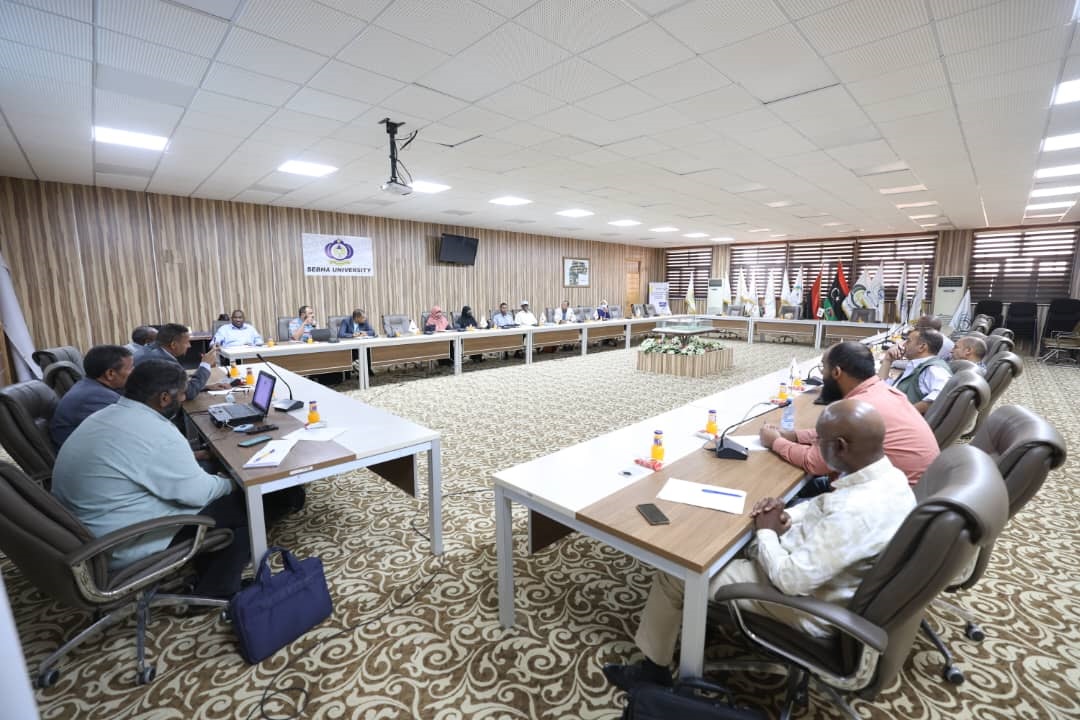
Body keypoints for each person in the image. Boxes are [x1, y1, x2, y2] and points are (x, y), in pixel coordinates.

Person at [602, 399, 917, 691]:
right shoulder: (890, 479)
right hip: (826, 576)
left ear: (840, 446)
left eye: (820, 442)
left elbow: (791, 580)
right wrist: (787, 514)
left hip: (809, 605)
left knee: (676, 572)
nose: (816, 447)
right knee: (726, 540)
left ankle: (652, 672)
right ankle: (697, 620)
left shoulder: (855, 513)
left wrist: (766, 532)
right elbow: (825, 507)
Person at [51, 360, 302, 598]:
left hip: (90, 528)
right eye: (182, 394)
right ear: (164, 398)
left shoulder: (106, 415)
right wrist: (233, 480)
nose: (184, 399)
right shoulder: (157, 432)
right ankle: (217, 589)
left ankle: (210, 560)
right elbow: (199, 494)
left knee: (217, 475)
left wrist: (198, 460)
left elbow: (137, 460)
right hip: (120, 541)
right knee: (254, 501)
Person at [759, 342, 939, 485]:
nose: (822, 375)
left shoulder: (858, 408)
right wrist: (794, 435)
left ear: (836, 372)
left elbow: (814, 463)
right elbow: (842, 434)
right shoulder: (882, 391)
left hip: (886, 508)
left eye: (823, 368)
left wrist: (775, 441)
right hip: (910, 494)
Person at [49, 345, 134, 447]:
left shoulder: (89, 386)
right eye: (130, 368)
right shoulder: (97, 397)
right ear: (110, 374)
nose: (134, 372)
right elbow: (132, 430)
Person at [136, 322, 222, 398]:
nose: (189, 346)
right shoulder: (165, 362)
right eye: (187, 342)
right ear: (173, 345)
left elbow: (177, 387)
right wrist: (205, 364)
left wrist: (205, 387)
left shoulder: (148, 350)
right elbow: (190, 392)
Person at [879, 328, 952, 414]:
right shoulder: (917, 365)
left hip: (898, 418)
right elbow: (881, 387)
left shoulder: (934, 369)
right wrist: (887, 360)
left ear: (922, 347)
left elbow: (941, 395)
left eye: (908, 341)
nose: (904, 345)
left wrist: (905, 413)